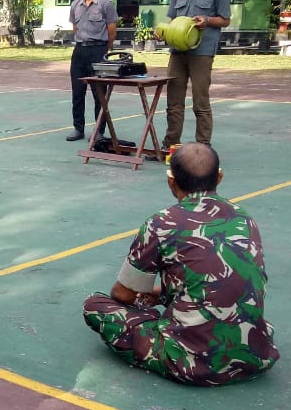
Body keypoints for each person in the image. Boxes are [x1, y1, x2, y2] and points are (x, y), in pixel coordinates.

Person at [82, 143, 279, 386]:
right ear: (219, 177)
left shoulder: (162, 223)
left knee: (95, 305)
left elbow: (122, 294)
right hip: (255, 356)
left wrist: (150, 297)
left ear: (171, 181)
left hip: (192, 365)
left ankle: (168, 337)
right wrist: (163, 293)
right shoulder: (244, 218)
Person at [162, 0, 232, 150]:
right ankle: (171, 145)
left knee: (200, 101)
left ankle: (203, 147)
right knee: (173, 102)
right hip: (177, 52)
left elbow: (225, 20)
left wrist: (207, 20)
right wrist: (163, 32)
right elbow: (172, 19)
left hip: (202, 53)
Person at [65, 0, 119, 141]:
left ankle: (99, 131)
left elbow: (112, 32)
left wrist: (104, 51)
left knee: (99, 93)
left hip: (98, 51)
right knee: (77, 92)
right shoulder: (75, 5)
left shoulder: (105, 4)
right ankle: (78, 128)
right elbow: (75, 29)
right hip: (79, 51)